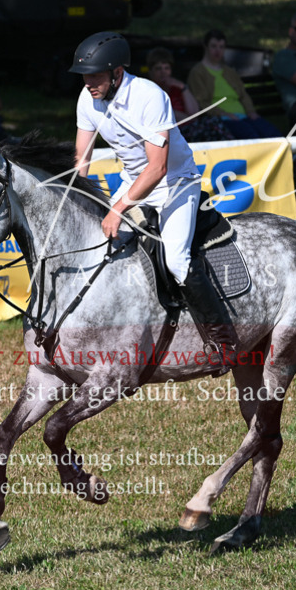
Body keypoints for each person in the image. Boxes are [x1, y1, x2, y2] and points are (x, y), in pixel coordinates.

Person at [70, 32, 237, 365]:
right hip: (133, 181)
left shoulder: (148, 96)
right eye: (84, 76)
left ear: (117, 73)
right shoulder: (88, 98)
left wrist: (118, 209)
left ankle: (225, 341)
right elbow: (81, 161)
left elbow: (158, 168)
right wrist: (73, 200)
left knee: (176, 260)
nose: (88, 83)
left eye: (95, 75)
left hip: (175, 181)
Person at [188, 29, 282, 140]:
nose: (217, 51)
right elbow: (202, 102)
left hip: (244, 116)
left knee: (271, 132)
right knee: (252, 135)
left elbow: (243, 95)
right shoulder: (198, 72)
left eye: (221, 47)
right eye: (213, 46)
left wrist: (251, 112)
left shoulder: (229, 71)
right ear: (206, 47)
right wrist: (224, 114)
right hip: (221, 120)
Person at [145, 47, 233, 143]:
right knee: (211, 125)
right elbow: (171, 117)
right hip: (171, 135)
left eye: (167, 68)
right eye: (158, 69)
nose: (163, 72)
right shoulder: (149, 91)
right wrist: (186, 117)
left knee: (214, 122)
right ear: (150, 72)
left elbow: (194, 113)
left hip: (190, 128)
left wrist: (183, 88)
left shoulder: (177, 88)